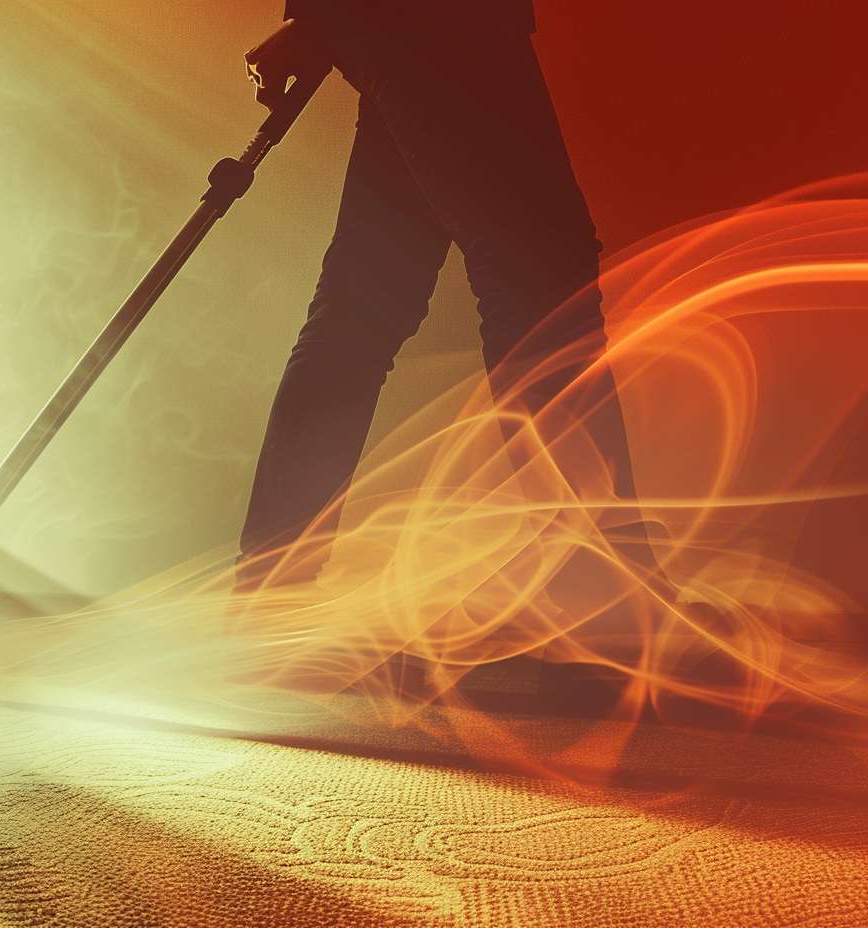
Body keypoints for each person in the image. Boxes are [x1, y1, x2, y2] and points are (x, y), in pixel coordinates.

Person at [235, 2, 658, 595]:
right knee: (537, 274)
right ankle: (600, 590)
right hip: (436, 19)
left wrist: (322, 15)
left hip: (413, 19)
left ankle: (270, 585)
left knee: (367, 304)